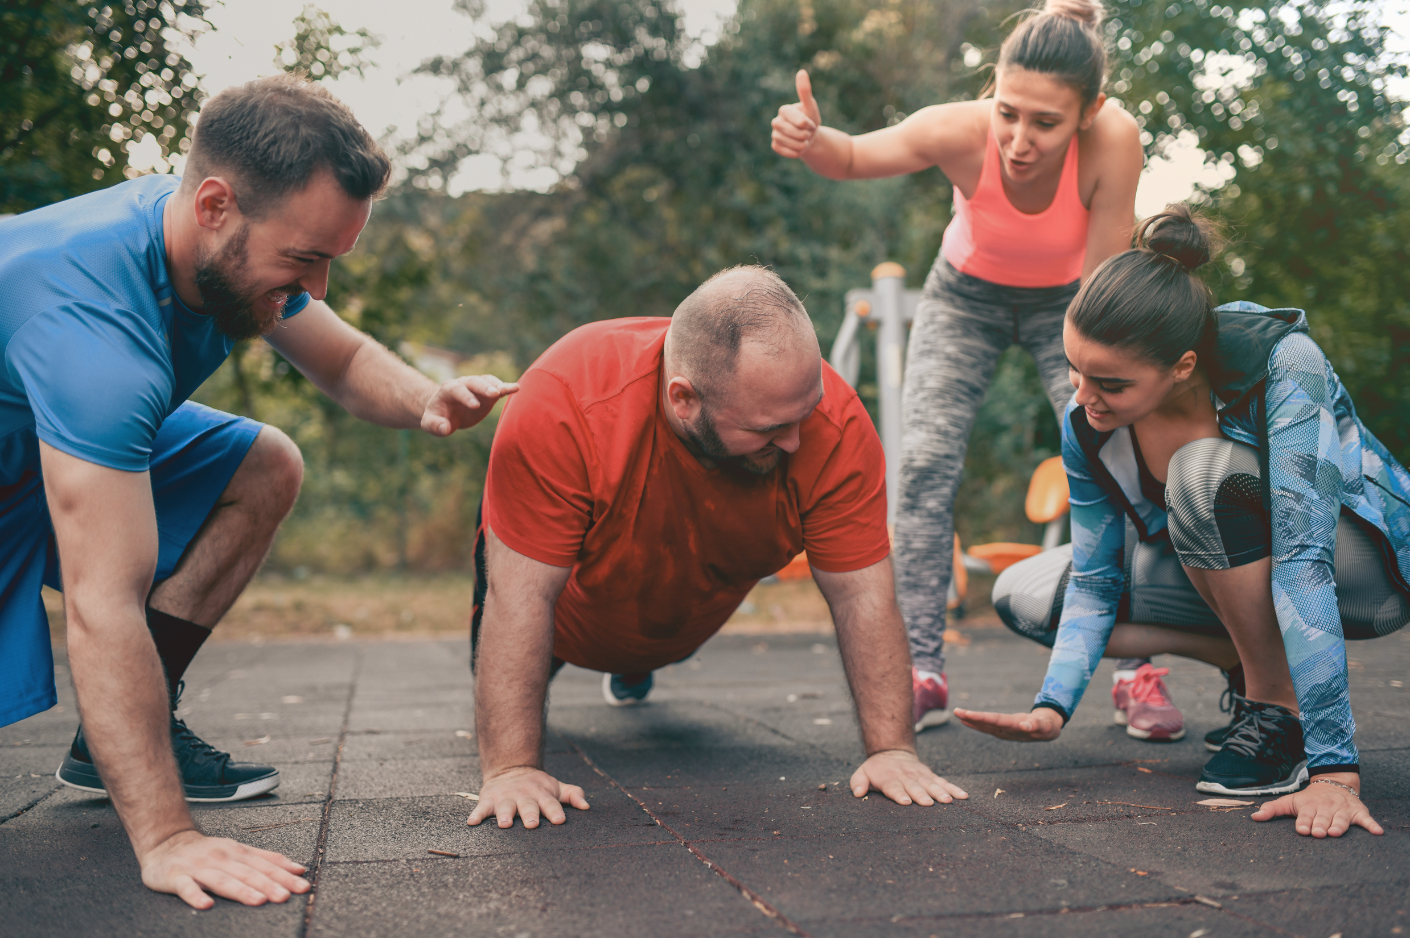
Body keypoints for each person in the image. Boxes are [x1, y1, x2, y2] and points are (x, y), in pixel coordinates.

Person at [0, 74, 515, 908]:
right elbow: (103, 606)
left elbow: (344, 361)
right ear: (215, 205)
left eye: (332, 260)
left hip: (32, 447)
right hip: (37, 451)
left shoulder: (210, 240)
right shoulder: (96, 338)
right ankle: (137, 770)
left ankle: (117, 741)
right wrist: (167, 837)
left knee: (263, 463)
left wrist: (426, 397)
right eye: (306, 259)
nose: (317, 291)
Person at [958, 205, 1408, 840]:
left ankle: (1280, 710)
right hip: (1244, 581)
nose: (1083, 396)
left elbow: (1304, 561)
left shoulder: (1285, 366)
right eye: (1074, 369)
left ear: (1184, 369)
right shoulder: (1087, 420)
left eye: (1109, 382)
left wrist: (1336, 773)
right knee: (1027, 598)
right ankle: (1247, 660)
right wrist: (1052, 705)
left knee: (1199, 473)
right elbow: (1094, 578)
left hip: (1358, 572)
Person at [467, 266, 969, 829]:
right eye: (770, 428)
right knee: (505, 670)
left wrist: (892, 752)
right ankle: (592, 667)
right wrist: (511, 767)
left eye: (805, 413)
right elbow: (520, 599)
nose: (797, 439)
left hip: (683, 607)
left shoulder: (832, 427)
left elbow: (864, 597)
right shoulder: (566, 399)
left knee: (659, 633)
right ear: (683, 398)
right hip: (569, 611)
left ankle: (639, 660)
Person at [770, 0, 1150, 735]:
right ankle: (921, 667)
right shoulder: (958, 130)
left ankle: (1138, 671)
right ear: (992, 90)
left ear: (1089, 111)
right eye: (1008, 112)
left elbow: (1101, 288)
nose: (1018, 139)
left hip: (1071, 306)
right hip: (964, 298)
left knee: (1117, 455)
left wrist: (1092, 397)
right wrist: (812, 139)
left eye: (1045, 122)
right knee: (923, 465)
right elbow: (851, 157)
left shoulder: (1115, 142)